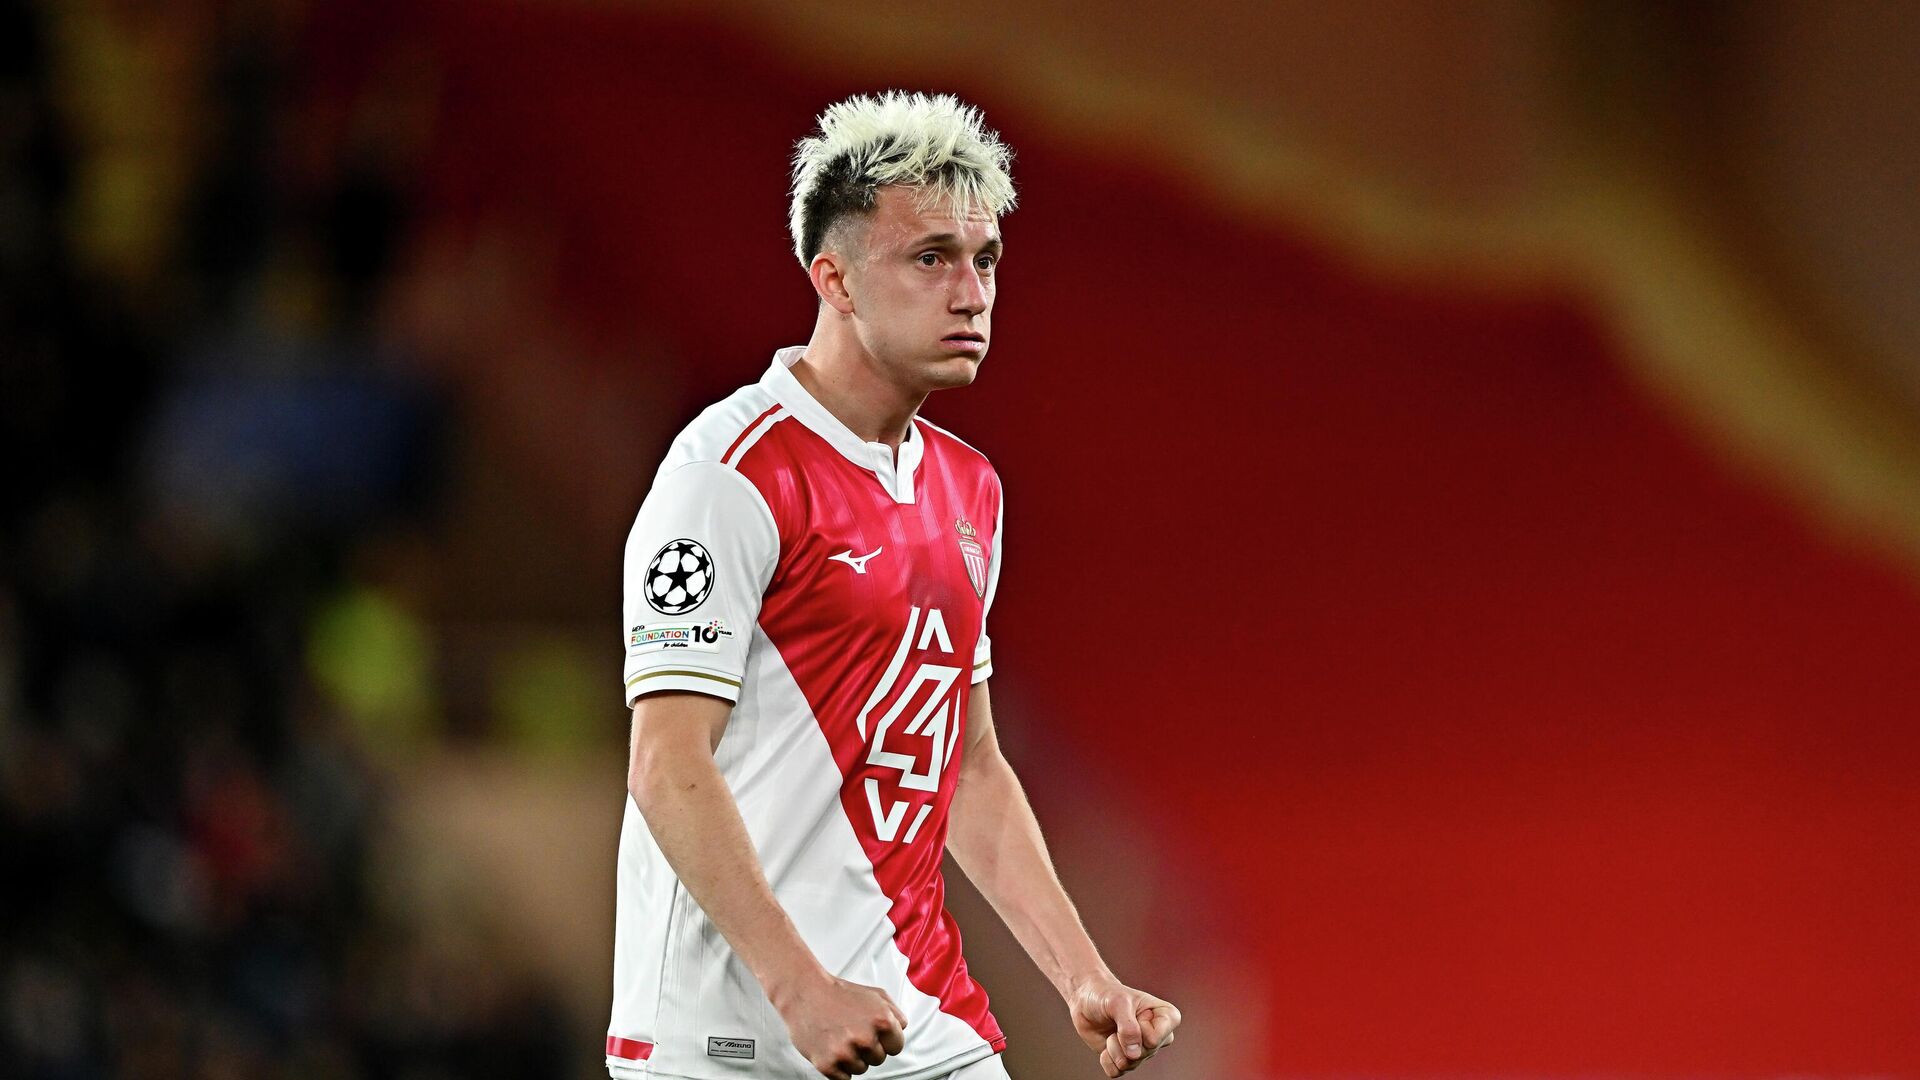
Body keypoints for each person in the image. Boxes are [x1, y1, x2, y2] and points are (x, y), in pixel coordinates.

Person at [609, 91, 1181, 1080]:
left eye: (985, 260)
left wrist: (1084, 976)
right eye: (931, 259)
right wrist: (802, 989)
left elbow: (970, 767)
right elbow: (666, 764)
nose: (972, 293)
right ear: (833, 279)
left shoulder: (970, 489)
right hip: (734, 1041)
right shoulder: (729, 474)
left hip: (920, 1019)